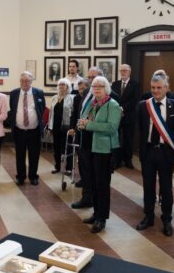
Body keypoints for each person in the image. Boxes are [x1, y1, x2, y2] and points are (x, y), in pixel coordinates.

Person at [136, 73, 174, 236]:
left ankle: (167, 219)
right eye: (153, 88)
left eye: (159, 88)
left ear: (166, 88)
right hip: (149, 151)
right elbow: (140, 128)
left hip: (166, 152)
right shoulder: (143, 105)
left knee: (166, 187)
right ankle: (148, 216)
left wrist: (169, 142)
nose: (155, 91)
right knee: (148, 186)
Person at [76, 76, 121, 233]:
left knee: (102, 186)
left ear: (106, 88)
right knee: (93, 183)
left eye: (100, 86)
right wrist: (81, 124)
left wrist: (89, 125)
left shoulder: (113, 105)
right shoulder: (92, 103)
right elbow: (83, 118)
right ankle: (96, 214)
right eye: (94, 86)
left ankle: (102, 219)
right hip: (88, 148)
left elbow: (112, 127)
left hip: (103, 150)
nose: (96, 89)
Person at [70, 67, 120, 208]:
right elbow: (81, 112)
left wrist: (89, 125)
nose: (92, 82)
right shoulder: (88, 91)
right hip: (84, 140)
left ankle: (99, 209)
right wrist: (78, 126)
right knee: (86, 173)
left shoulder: (113, 97)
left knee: (100, 179)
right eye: (90, 78)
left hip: (101, 144)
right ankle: (87, 198)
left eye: (95, 78)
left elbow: (113, 125)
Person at [8, 71, 45, 186]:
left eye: (27, 81)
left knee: (34, 155)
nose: (24, 83)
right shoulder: (14, 93)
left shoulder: (38, 93)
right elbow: (13, 109)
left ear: (31, 81)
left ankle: (33, 176)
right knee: (20, 155)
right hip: (19, 130)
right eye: (22, 81)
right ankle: (20, 177)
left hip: (34, 130)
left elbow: (42, 108)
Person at [111, 64, 140, 169]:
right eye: (121, 70)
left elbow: (135, 100)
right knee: (116, 138)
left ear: (129, 72)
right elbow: (112, 98)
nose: (123, 72)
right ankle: (117, 160)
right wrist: (117, 109)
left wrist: (122, 108)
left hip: (129, 115)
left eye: (125, 70)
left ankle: (128, 159)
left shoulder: (135, 85)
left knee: (128, 139)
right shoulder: (115, 84)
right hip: (116, 116)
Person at [47, 78, 74, 174]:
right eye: (60, 85)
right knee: (56, 148)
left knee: (68, 147)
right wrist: (49, 127)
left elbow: (74, 114)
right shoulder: (54, 98)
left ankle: (69, 168)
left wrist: (73, 127)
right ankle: (57, 167)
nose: (61, 86)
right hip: (55, 126)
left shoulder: (72, 98)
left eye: (63, 85)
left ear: (68, 87)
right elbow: (51, 114)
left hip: (67, 127)